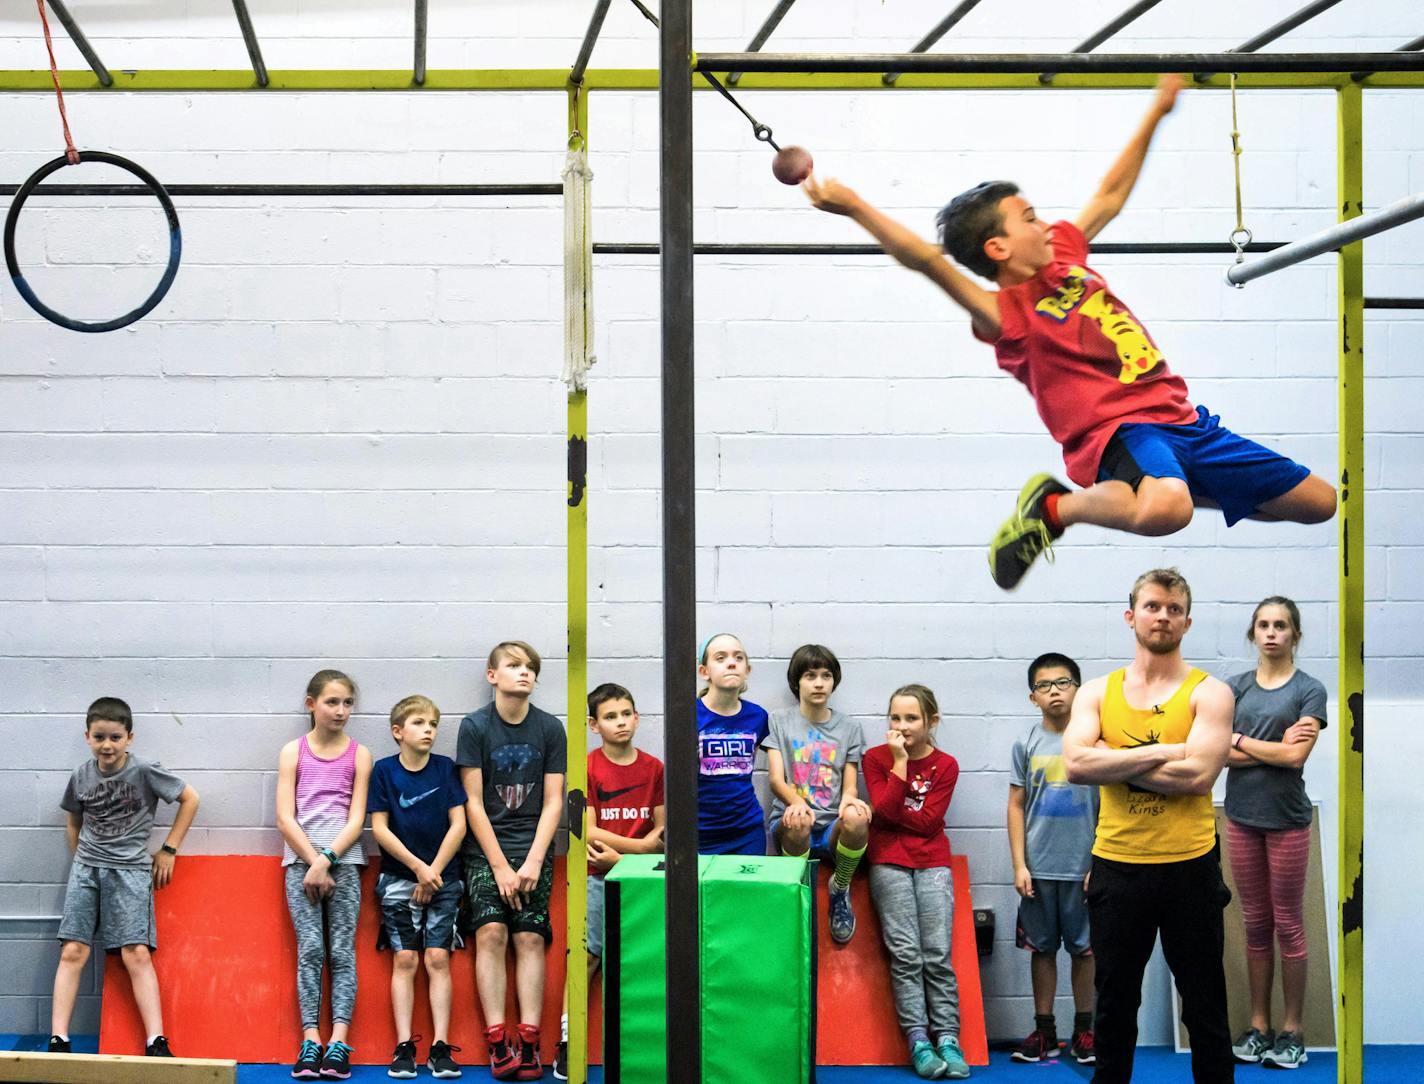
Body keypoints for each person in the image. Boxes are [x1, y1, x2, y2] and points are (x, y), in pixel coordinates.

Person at [803, 75, 1335, 591]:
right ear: (998, 249)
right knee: (1169, 510)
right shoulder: (1005, 315)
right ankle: (1055, 507)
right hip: (1121, 431)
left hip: (1184, 421)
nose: (1044, 225)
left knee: (1318, 503)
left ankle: (1168, 486)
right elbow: (924, 260)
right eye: (1029, 219)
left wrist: (1158, 109)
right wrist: (854, 208)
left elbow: (1108, 195)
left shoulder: (1064, 256)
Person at [1063, 568, 1235, 1084]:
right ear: (1130, 614)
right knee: (1114, 1006)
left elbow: (1198, 775)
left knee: (1205, 1006)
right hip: (1118, 868)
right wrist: (1164, 751)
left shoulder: (1211, 693)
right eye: (1153, 606)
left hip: (1190, 868)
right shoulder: (1097, 691)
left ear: (1187, 621)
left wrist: (1114, 756)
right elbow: (1076, 766)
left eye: (1174, 609)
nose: (1163, 616)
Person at [49, 697, 200, 1059]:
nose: (107, 745)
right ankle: (58, 1040)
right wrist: (81, 859)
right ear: (87, 736)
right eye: (99, 736)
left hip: (130, 872)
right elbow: (73, 820)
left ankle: (156, 1040)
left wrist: (169, 849)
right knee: (73, 950)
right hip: (88, 870)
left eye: (115, 737)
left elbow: (190, 798)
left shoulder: (145, 770)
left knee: (135, 953)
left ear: (129, 737)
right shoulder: (81, 775)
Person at [1224, 597, 1327, 1070]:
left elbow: (1294, 759)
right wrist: (1267, 745)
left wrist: (1240, 741)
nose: (1271, 633)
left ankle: (1293, 1032)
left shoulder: (1310, 691)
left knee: (1289, 924)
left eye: (1280, 625)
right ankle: (1260, 1026)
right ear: (1253, 633)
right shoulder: (1234, 689)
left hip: (1287, 821)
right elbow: (1217, 754)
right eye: (1263, 625)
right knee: (1255, 925)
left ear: (1295, 635)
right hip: (1241, 818)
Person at [457, 641, 566, 1082]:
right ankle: (498, 1039)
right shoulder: (475, 726)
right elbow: (472, 802)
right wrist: (500, 865)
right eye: (514, 666)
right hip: (486, 851)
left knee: (530, 939)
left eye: (531, 668)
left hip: (534, 849)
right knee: (492, 934)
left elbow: (555, 802)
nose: (524, 673)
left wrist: (535, 860)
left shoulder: (549, 728)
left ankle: (529, 1040)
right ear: (492, 675)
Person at [553, 683, 665, 1081]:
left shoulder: (654, 768)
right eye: (610, 716)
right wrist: (638, 847)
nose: (620, 722)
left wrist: (627, 855)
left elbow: (663, 833)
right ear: (594, 724)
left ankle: (648, 1045)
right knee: (587, 957)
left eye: (626, 714)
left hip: (643, 881)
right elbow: (589, 832)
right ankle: (568, 1042)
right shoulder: (584, 768)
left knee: (641, 962)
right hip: (597, 877)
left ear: (637, 717)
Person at [863, 684, 969, 1080]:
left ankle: (948, 1037)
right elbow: (884, 809)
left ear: (932, 721)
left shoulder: (947, 765)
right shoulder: (876, 758)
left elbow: (925, 823)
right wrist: (900, 762)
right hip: (888, 861)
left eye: (911, 718)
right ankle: (919, 1040)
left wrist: (889, 815)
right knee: (906, 955)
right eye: (895, 718)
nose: (902, 726)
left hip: (933, 863)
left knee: (936, 954)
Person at [276, 669, 373, 1081]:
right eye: (332, 702)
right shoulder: (292, 752)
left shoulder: (360, 754)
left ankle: (338, 1042)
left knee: (341, 953)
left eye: (348, 702)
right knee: (311, 951)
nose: (341, 710)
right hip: (300, 864)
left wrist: (328, 859)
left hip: (344, 864)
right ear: (311, 703)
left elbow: (357, 818)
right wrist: (311, 861)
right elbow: (284, 816)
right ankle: (311, 1039)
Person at [367, 694, 467, 1080]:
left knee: (438, 959)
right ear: (398, 732)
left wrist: (434, 872)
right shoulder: (384, 772)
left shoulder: (445, 769)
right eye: (420, 723)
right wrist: (416, 868)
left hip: (444, 878)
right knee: (405, 959)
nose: (429, 730)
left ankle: (440, 1047)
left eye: (433, 724)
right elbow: (379, 828)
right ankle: (405, 1045)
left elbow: (458, 824)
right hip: (398, 880)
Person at [1008, 653, 1099, 1065]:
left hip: (1084, 869)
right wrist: (1019, 865)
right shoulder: (1025, 743)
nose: (1055, 691)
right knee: (1041, 950)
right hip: (1038, 870)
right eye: (1044, 686)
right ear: (1033, 696)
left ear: (1078, 689)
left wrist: (1101, 862)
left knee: (1086, 951)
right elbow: (1015, 806)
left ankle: (1086, 1031)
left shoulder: (1095, 742)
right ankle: (1045, 1032)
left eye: (1063, 683)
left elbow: (1110, 805)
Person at [763, 643, 871, 944]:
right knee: (798, 821)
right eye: (810, 675)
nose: (819, 683)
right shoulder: (778, 720)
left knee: (858, 817)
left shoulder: (849, 727)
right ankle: (799, 891)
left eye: (826, 675)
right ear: (796, 681)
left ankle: (840, 887)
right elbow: (775, 778)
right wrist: (797, 802)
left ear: (834, 680)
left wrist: (851, 799)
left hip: (831, 827)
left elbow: (850, 782)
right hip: (793, 822)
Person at [696, 633, 770, 856]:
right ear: (704, 671)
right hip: (699, 832)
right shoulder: (688, 715)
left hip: (746, 830)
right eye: (720, 658)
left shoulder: (758, 716)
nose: (731, 663)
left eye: (738, 658)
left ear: (747, 670)